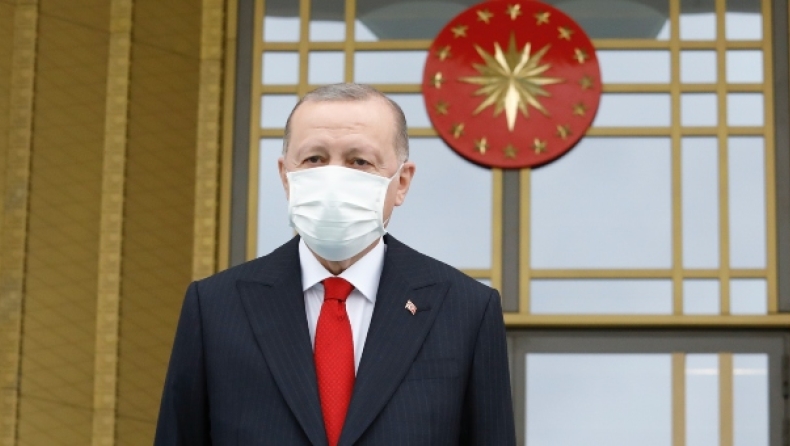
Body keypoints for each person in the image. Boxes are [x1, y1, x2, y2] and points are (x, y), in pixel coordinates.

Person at [155, 83, 516, 445]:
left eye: (359, 162)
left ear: (402, 182)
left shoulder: (465, 310)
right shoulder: (214, 307)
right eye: (314, 159)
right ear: (285, 176)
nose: (333, 178)